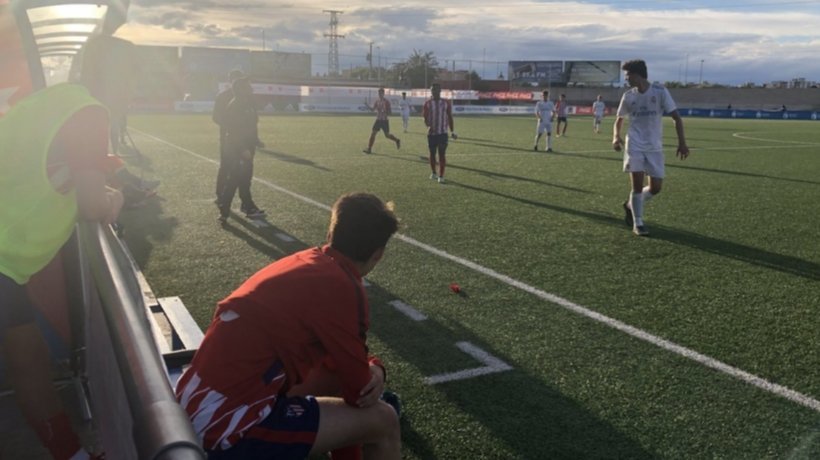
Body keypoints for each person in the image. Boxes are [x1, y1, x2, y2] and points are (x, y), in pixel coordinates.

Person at [175, 192, 402, 460]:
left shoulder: (305, 262)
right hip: (225, 430)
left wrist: (367, 372)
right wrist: (376, 371)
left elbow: (341, 371)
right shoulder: (341, 285)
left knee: (336, 379)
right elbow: (358, 390)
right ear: (378, 255)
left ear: (331, 233)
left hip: (196, 405)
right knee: (385, 420)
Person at [0, 83, 123, 460]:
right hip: (5, 263)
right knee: (28, 360)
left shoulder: (40, 107)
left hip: (8, 271)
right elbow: (91, 204)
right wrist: (114, 197)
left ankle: (71, 452)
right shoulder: (89, 112)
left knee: (30, 358)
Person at [613, 59, 689, 236]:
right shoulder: (628, 96)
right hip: (635, 144)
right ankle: (638, 223)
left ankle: (630, 205)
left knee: (656, 188)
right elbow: (619, 119)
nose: (626, 79)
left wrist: (682, 143)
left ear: (637, 74)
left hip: (654, 146)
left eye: (628, 75)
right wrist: (616, 137)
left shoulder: (660, 92)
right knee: (637, 186)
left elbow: (676, 118)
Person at [213, 69, 264, 219]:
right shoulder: (234, 104)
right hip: (236, 146)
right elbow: (232, 128)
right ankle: (225, 204)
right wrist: (242, 148)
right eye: (247, 85)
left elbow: (252, 124)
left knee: (243, 177)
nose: (251, 87)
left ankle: (245, 205)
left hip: (246, 146)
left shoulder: (248, 102)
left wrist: (256, 141)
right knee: (233, 176)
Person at [422, 83, 456, 184]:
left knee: (442, 153)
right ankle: (433, 172)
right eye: (433, 90)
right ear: (431, 91)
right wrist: (428, 126)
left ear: (440, 91)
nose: (435, 92)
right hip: (432, 134)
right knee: (432, 153)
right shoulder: (427, 103)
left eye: (437, 90)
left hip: (442, 133)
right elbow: (425, 117)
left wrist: (452, 131)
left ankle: (441, 175)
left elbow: (449, 117)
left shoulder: (446, 103)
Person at [362, 87, 400, 154]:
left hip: (384, 121)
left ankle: (397, 140)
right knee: (373, 133)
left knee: (387, 135)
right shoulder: (377, 101)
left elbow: (390, 112)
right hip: (378, 120)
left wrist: (384, 111)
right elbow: (373, 110)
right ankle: (369, 149)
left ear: (383, 93)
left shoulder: (387, 102)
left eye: (381, 93)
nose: (380, 94)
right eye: (379, 93)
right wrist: (367, 105)